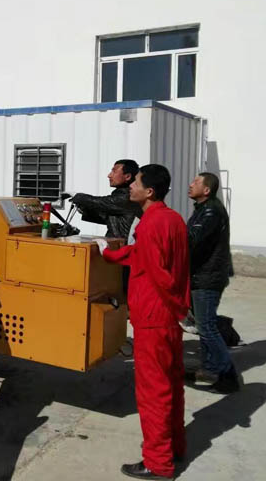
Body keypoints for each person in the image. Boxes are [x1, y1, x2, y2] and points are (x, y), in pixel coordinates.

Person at [95, 164, 189, 481]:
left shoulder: (150, 224)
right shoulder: (173, 219)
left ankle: (158, 463)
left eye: (134, 182)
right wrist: (112, 254)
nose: (130, 187)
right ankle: (175, 446)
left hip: (153, 317)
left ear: (149, 191)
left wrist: (177, 309)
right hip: (168, 320)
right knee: (172, 385)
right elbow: (147, 257)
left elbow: (160, 274)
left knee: (153, 392)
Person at [185, 172, 240, 394]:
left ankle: (228, 376)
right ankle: (209, 369)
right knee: (204, 325)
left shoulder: (210, 212)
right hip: (203, 275)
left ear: (206, 190)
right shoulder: (203, 208)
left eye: (196, 182)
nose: (191, 185)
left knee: (207, 327)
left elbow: (190, 239)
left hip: (207, 278)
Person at [71, 159, 143, 239]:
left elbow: (102, 202)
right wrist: (85, 210)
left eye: (114, 171)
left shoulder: (128, 196)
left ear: (128, 176)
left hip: (124, 245)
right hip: (116, 243)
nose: (109, 175)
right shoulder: (121, 195)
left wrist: (76, 196)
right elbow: (111, 219)